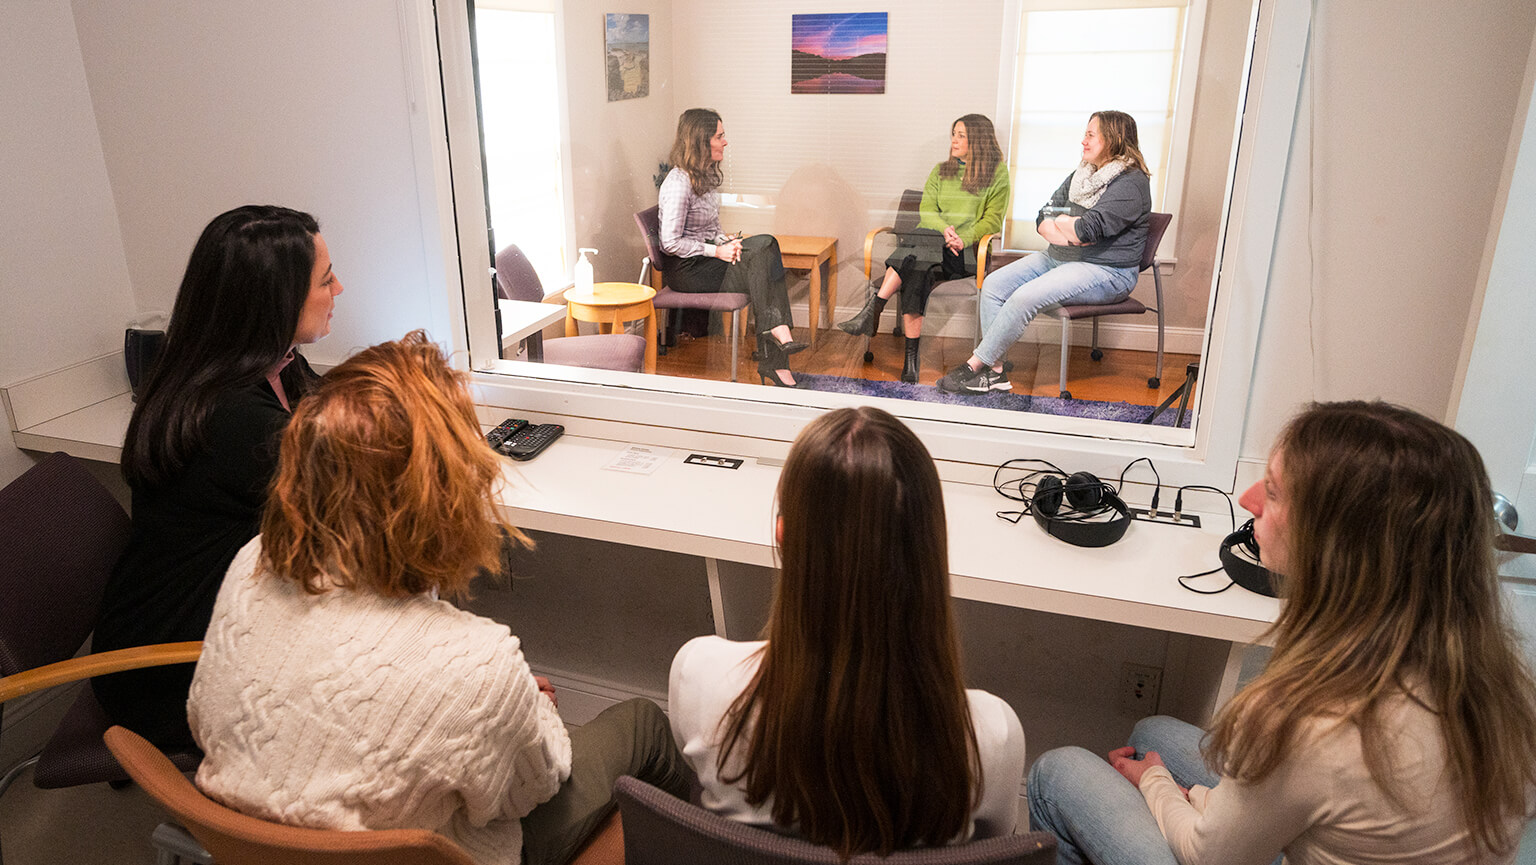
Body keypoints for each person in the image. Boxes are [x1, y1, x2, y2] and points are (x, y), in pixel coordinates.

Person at [187, 332, 692, 865]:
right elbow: (530, 789)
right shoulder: (476, 661)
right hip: (441, 851)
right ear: (447, 493)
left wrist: (502, 703)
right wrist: (527, 710)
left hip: (247, 840)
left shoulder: (253, 561)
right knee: (644, 725)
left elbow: (203, 713)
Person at [1027, 400, 1536, 865]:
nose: (1248, 500)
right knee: (1153, 732)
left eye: (1271, 491)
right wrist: (1207, 802)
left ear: (1334, 543)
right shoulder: (1510, 692)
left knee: (1059, 772)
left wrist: (1155, 783)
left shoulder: (1309, 721)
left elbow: (1209, 856)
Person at [668, 406, 1026, 858]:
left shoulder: (697, 675)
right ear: (931, 550)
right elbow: (989, 851)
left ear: (783, 535)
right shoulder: (989, 736)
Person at [92, 204, 343, 750]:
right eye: (326, 281)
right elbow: (359, 499)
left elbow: (332, 423)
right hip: (170, 666)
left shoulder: (275, 365)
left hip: (221, 618)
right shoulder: (234, 419)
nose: (339, 289)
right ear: (273, 301)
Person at [938, 110, 1150, 394]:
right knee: (992, 285)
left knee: (1025, 296)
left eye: (1090, 134)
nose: (1083, 141)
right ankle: (996, 371)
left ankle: (976, 365)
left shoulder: (1132, 183)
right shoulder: (1082, 174)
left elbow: (1089, 230)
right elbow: (1044, 215)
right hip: (1059, 258)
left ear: (1113, 138)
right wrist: (1064, 228)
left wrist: (1066, 225)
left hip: (1106, 270)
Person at [838, 114, 1011, 383]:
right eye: (953, 133)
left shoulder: (997, 174)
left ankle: (876, 307)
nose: (954, 140)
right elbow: (927, 211)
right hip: (934, 247)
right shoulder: (941, 170)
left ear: (979, 140)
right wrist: (945, 231)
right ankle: (910, 362)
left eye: (961, 135)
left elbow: (992, 219)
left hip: (966, 253)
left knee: (917, 249)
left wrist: (961, 238)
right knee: (918, 265)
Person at [659, 107, 805, 388]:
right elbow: (670, 243)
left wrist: (725, 241)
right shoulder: (678, 184)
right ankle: (777, 341)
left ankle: (776, 346)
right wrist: (717, 251)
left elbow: (710, 228)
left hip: (705, 260)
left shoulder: (703, 175)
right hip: (687, 271)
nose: (725, 142)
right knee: (761, 258)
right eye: (719, 136)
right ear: (701, 141)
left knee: (766, 245)